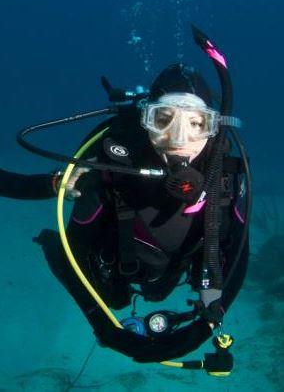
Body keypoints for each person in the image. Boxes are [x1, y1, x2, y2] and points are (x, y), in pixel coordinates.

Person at [3, 27, 250, 370]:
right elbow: (76, 249)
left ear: (214, 127)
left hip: (180, 269)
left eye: (196, 123)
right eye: (163, 120)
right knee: (111, 298)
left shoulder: (226, 175)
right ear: (145, 120)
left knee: (162, 290)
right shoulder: (115, 164)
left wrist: (206, 325)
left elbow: (239, 254)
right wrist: (104, 327)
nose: (179, 139)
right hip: (119, 268)